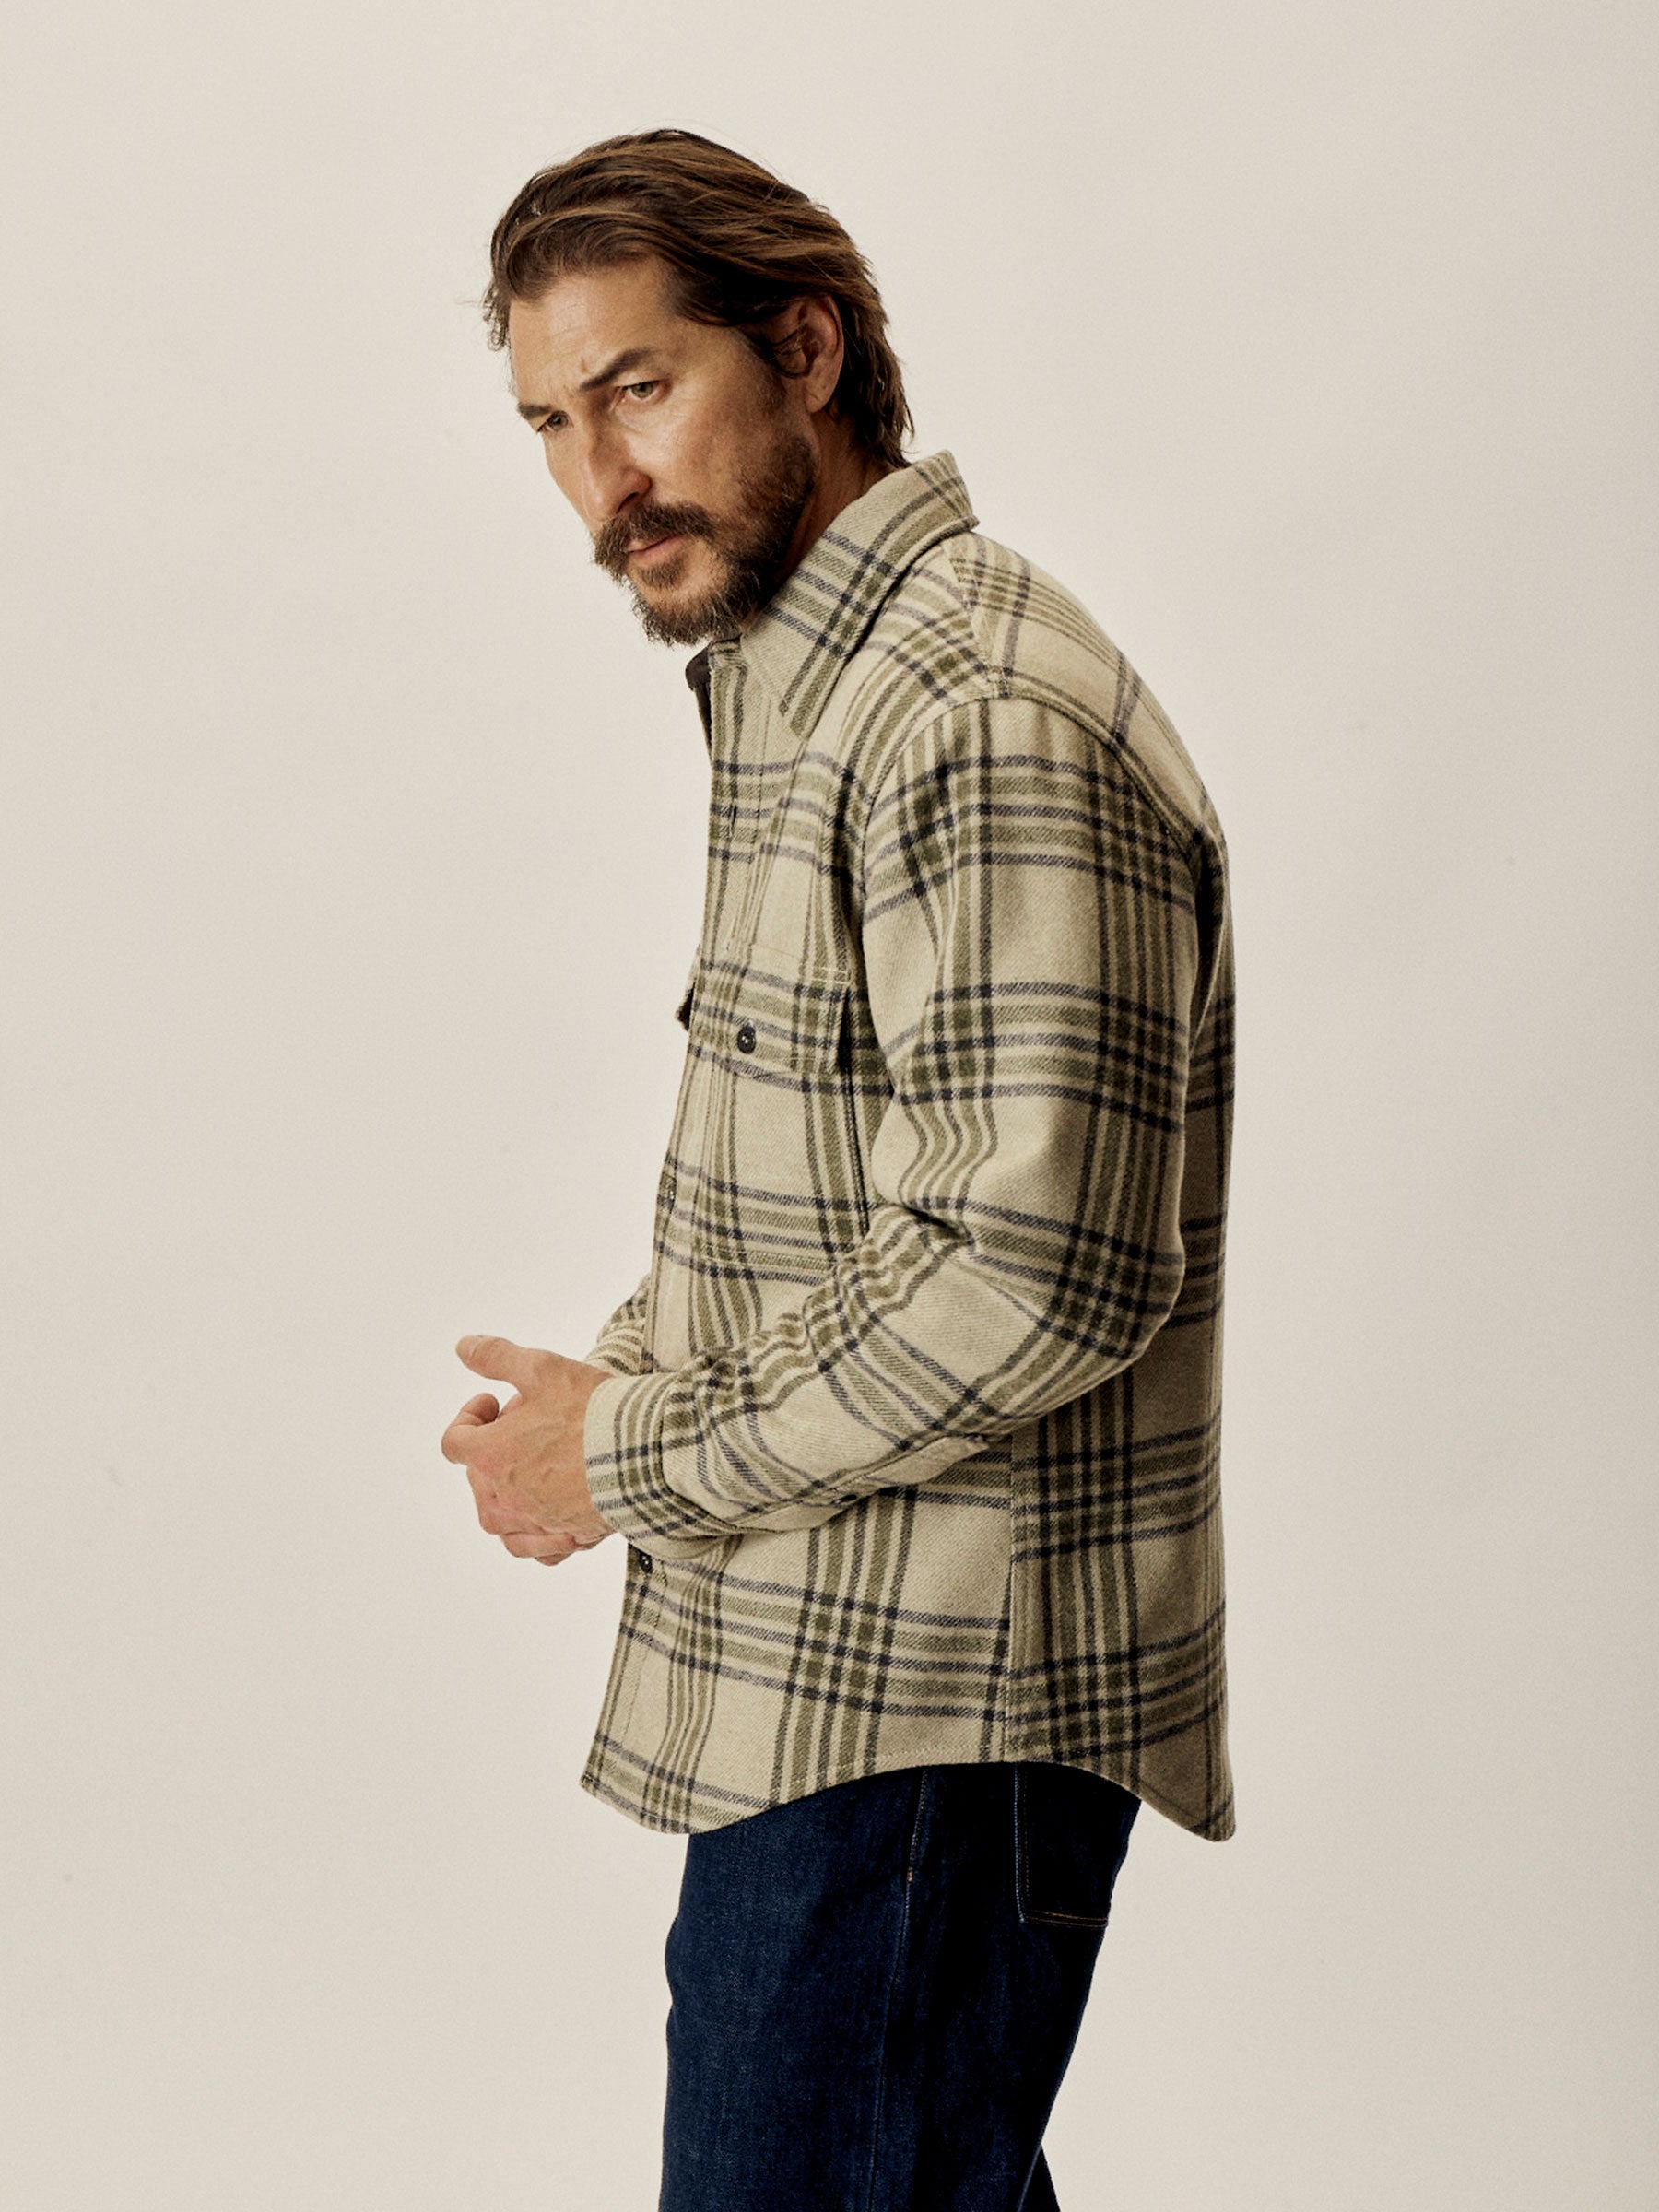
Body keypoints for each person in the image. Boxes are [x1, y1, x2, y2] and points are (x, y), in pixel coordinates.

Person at [440, 128, 1235, 2212]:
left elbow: (1034, 1270)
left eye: (638, 388)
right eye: (551, 424)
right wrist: (616, 1390)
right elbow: (838, 1191)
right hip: (836, 1681)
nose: (603, 482)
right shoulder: (817, 685)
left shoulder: (969, 709)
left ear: (804, 352)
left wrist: (629, 1454)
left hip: (932, 1710)